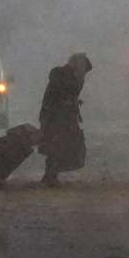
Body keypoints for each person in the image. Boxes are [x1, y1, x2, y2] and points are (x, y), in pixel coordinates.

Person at [39, 52, 92, 187]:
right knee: (56, 146)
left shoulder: (70, 76)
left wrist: (73, 101)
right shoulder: (62, 74)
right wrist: (68, 102)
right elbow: (60, 94)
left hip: (63, 117)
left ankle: (51, 176)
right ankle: (50, 177)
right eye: (83, 69)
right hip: (55, 117)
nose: (84, 73)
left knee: (61, 146)